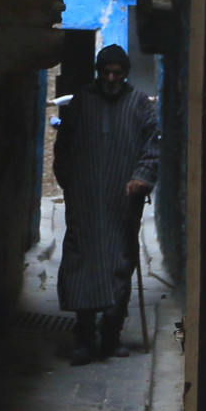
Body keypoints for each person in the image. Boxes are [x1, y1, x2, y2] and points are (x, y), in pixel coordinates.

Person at [52, 43, 160, 365]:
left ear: (125, 73)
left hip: (122, 202)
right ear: (99, 73)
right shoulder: (81, 102)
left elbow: (152, 148)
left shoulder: (139, 105)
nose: (111, 78)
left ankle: (111, 337)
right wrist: (72, 184)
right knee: (81, 263)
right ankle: (85, 338)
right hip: (84, 202)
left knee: (119, 263)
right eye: (106, 72)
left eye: (117, 72)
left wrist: (141, 178)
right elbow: (63, 148)